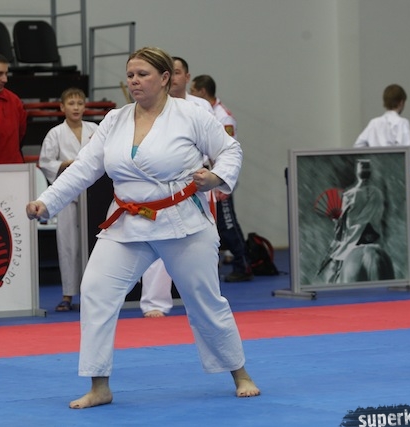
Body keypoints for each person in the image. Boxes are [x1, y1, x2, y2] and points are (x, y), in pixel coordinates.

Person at [26, 46, 260, 409]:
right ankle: (99, 384)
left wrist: (215, 177)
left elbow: (231, 150)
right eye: (130, 75)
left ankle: (240, 373)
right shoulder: (115, 120)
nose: (134, 81)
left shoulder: (190, 115)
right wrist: (47, 201)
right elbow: (85, 167)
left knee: (204, 300)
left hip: (182, 221)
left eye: (142, 75)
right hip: (128, 222)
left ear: (165, 78)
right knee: (96, 290)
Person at [138, 55, 215, 318]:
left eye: (178, 71)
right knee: (157, 241)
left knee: (201, 245)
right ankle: (154, 303)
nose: (174, 76)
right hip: (160, 185)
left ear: (186, 77)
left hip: (197, 183)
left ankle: (203, 299)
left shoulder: (200, 106)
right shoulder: (150, 107)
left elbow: (216, 146)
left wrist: (217, 179)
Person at [352, 84, 410, 275]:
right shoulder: (402, 123)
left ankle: (385, 263)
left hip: (378, 179)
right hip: (398, 179)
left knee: (382, 221)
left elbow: (358, 146)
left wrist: (375, 160)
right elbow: (407, 151)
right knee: (408, 222)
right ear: (401, 102)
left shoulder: (374, 123)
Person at [38, 87, 98, 312]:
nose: (76, 108)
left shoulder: (95, 129)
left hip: (92, 195)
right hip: (67, 195)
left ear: (85, 106)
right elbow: (46, 162)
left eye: (80, 103)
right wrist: (66, 164)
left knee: (93, 245)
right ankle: (67, 294)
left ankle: (92, 294)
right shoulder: (55, 133)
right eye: (71, 104)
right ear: (62, 107)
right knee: (67, 245)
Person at [191, 74, 253, 282]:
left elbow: (226, 150)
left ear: (202, 91)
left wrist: (220, 179)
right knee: (218, 224)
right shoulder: (201, 110)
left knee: (228, 224)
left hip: (218, 177)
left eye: (193, 90)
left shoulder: (223, 116)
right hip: (206, 177)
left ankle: (243, 265)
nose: (191, 94)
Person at [316, 159, 394, 283]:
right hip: (375, 237)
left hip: (354, 238)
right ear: (370, 174)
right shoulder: (378, 194)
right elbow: (381, 215)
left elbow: (343, 223)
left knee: (333, 268)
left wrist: (336, 222)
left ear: (357, 173)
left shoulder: (349, 195)